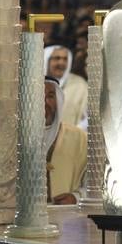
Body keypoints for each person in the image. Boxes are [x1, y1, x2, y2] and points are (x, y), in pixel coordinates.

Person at [43, 77, 85, 205]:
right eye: (38, 95)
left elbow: (94, 184)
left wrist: (76, 197)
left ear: (58, 100)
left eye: (50, 96)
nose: (44, 102)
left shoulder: (79, 137)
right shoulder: (16, 139)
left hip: (67, 217)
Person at [43, 45, 88, 129]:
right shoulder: (35, 83)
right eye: (57, 58)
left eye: (65, 59)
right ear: (46, 60)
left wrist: (73, 134)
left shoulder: (80, 85)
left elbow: (88, 117)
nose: (61, 63)